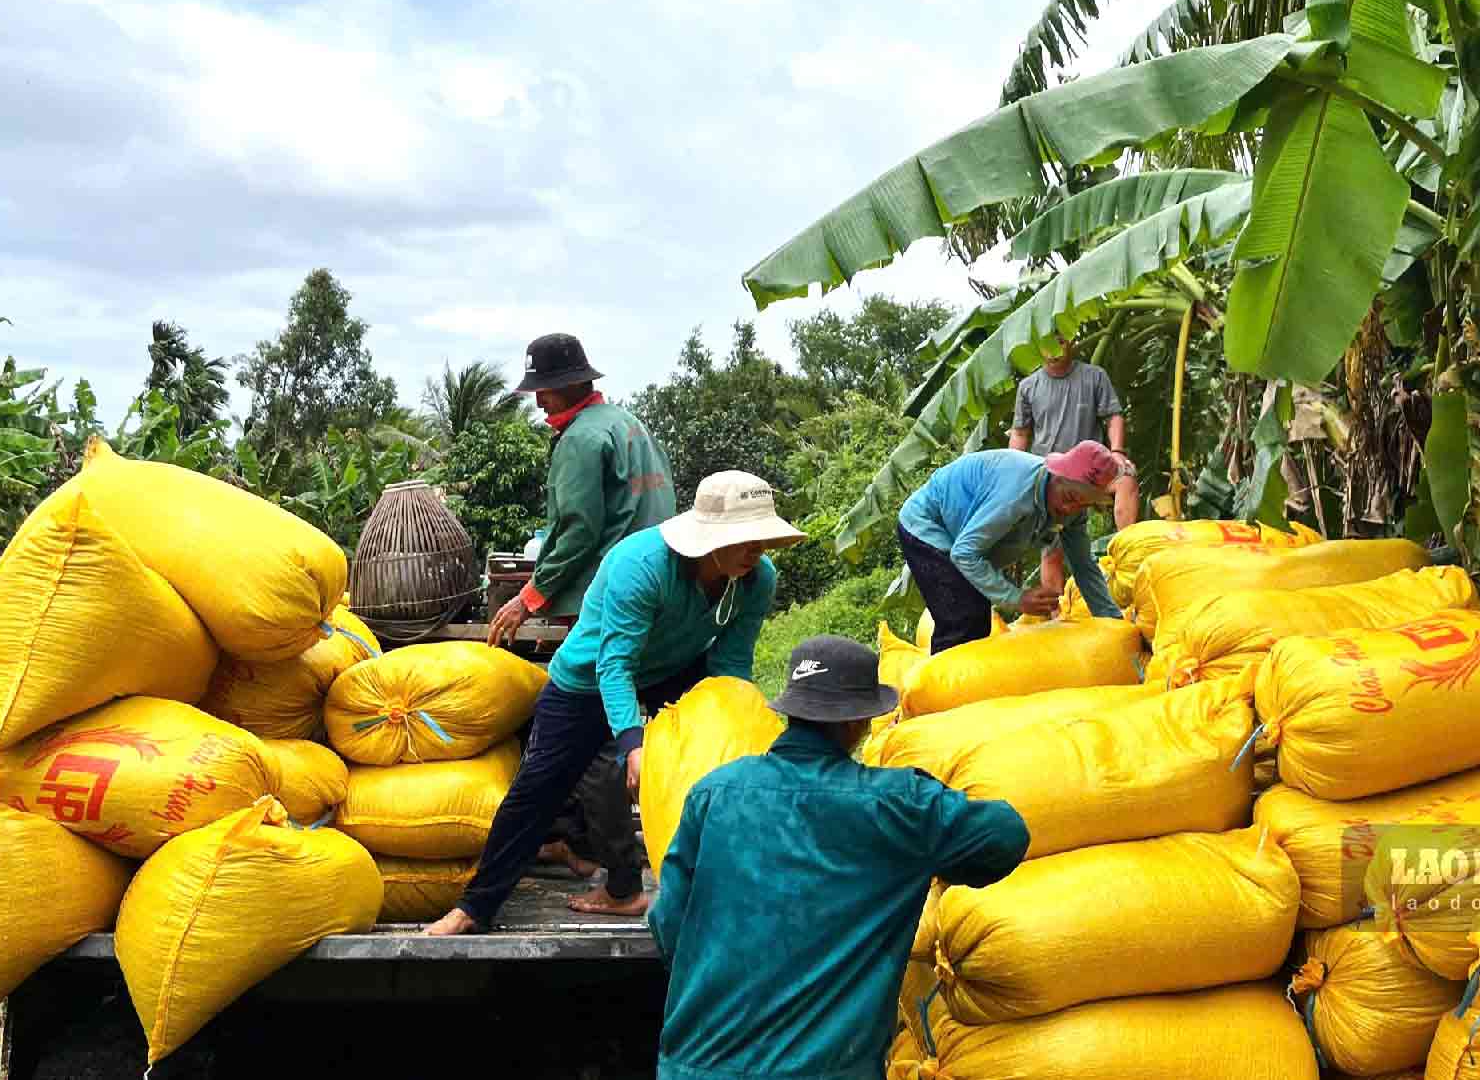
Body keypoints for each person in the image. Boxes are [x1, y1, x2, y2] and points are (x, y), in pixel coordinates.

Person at [423, 471, 805, 936]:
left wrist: (733, 732)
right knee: (538, 788)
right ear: (712, 537)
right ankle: (475, 907)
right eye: (746, 538)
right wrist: (632, 744)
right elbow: (615, 665)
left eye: (763, 538)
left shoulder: (756, 579)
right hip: (588, 675)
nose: (757, 549)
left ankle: (713, 892)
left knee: (716, 771)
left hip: (675, 667)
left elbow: (731, 664)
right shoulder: (641, 565)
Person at [647, 636, 1029, 1080]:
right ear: (860, 723)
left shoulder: (714, 793)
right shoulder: (897, 807)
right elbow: (1005, 836)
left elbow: (667, 924)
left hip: (696, 1067)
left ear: (789, 710)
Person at [488, 331, 676, 917]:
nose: (540, 405)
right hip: (653, 594)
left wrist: (529, 598)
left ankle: (620, 879)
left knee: (586, 736)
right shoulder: (628, 424)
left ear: (563, 388)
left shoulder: (579, 441)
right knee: (607, 725)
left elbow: (576, 530)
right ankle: (578, 842)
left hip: (605, 599)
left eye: (542, 394)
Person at [897, 441, 1127, 654]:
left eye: (1082, 504)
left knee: (976, 619)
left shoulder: (1073, 511)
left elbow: (1084, 567)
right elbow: (964, 553)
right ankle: (940, 691)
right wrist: (1017, 598)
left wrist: (1114, 623)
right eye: (1069, 497)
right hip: (926, 525)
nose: (1070, 508)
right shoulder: (1016, 494)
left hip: (963, 540)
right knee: (963, 617)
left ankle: (962, 688)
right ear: (1056, 475)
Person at [1008, 338, 1139, 595]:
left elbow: (1113, 416)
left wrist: (1117, 452)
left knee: (1127, 478)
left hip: (1093, 472)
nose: (1054, 349)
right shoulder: (1028, 386)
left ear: (1071, 340)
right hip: (1051, 478)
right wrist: (1012, 471)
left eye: (1060, 340)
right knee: (1052, 547)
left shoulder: (1094, 377)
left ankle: (1131, 555)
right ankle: (1056, 613)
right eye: (1047, 342)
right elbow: (1021, 433)